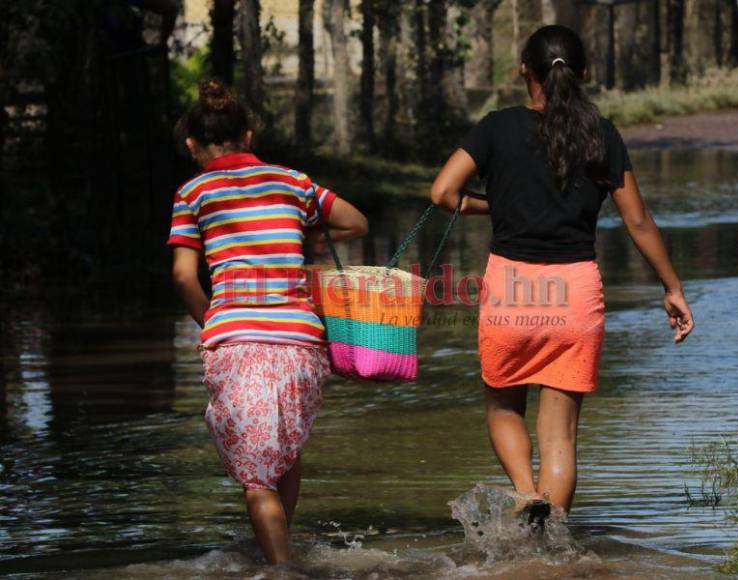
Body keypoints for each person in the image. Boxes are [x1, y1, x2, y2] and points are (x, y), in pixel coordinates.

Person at [430, 26, 694, 521]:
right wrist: (672, 287)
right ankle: (549, 536)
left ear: (524, 70)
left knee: (504, 409)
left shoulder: (495, 127)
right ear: (583, 73)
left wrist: (496, 208)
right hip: (574, 292)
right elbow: (637, 220)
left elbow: (442, 193)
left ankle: (526, 493)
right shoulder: (602, 134)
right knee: (560, 436)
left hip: (511, 288)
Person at [168, 80, 368, 564]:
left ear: (192, 145)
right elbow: (356, 221)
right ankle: (279, 549)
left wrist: (211, 321)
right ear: (249, 135)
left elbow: (183, 276)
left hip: (238, 342)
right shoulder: (294, 182)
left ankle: (281, 571)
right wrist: (308, 231)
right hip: (301, 343)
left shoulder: (193, 191)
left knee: (256, 477)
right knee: (284, 450)